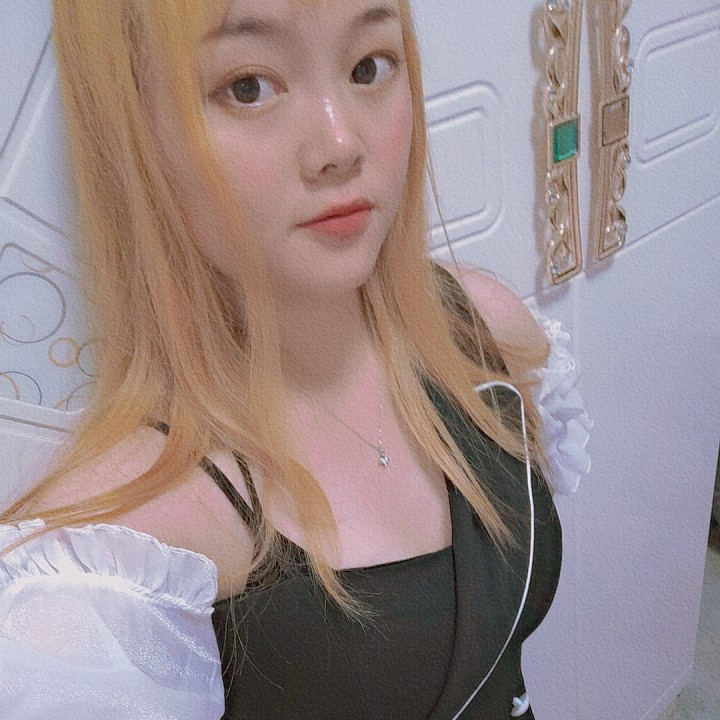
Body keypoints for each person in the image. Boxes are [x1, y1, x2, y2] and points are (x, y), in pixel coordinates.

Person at [0, 0, 591, 718]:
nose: (341, 143)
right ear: (135, 133)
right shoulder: (120, 560)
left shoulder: (481, 333)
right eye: (247, 87)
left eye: (368, 67)